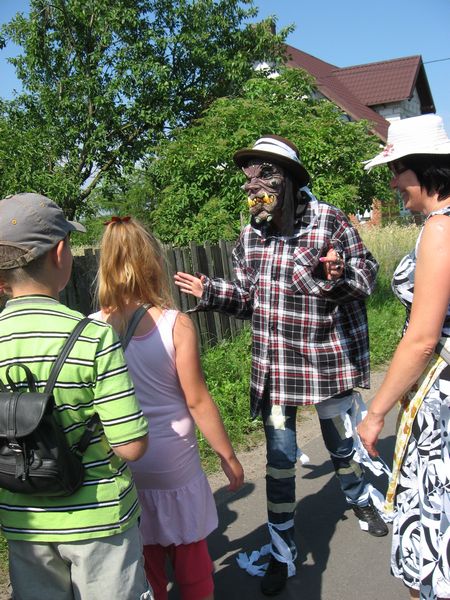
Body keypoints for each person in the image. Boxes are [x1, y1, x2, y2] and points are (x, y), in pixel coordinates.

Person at [174, 134, 388, 596]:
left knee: (340, 443)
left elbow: (367, 276)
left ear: (288, 180)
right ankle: (281, 549)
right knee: (279, 458)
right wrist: (212, 292)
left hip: (325, 359)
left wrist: (338, 275)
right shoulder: (251, 235)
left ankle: (358, 498)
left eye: (264, 177)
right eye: (248, 179)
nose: (252, 188)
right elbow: (249, 299)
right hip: (275, 366)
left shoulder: (329, 221)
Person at [0, 193, 152, 599]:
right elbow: (132, 446)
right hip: (100, 521)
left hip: (24, 521)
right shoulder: (92, 337)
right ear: (60, 253)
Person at [91, 217, 244, 600]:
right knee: (192, 558)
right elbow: (197, 400)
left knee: (147, 565)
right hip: (173, 465)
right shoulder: (176, 325)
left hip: (124, 462)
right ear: (152, 262)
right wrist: (227, 456)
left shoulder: (92, 328)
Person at [358, 113, 450, 600]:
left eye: (398, 170)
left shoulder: (440, 229)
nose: (393, 183)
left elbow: (421, 339)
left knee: (433, 530)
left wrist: (375, 414)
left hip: (441, 395)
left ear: (426, 169)